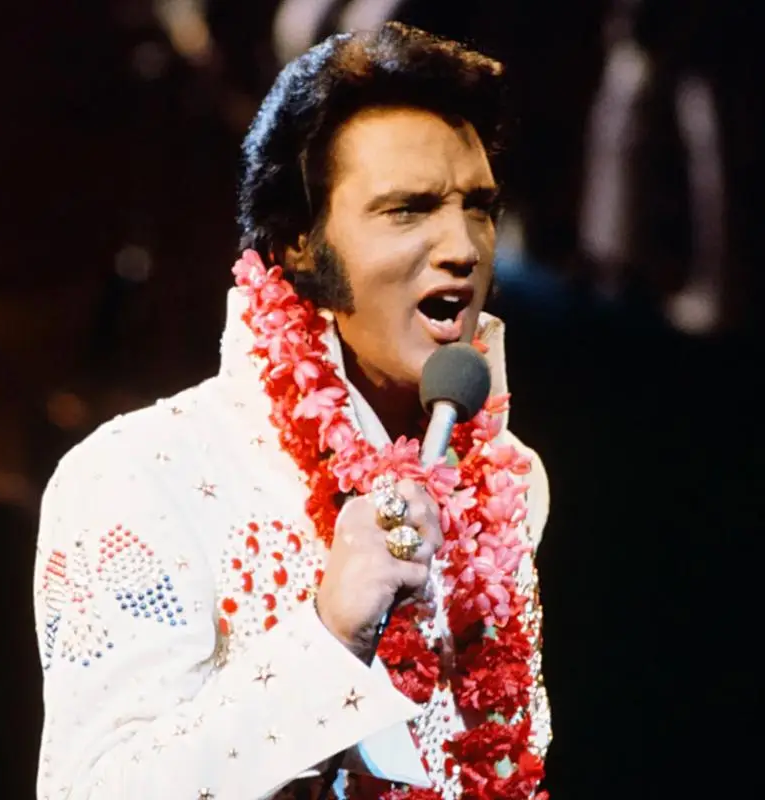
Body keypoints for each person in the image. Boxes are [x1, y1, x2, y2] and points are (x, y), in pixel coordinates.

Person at [33, 22, 551, 800]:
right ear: (300, 244)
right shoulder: (139, 474)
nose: (464, 247)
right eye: (408, 210)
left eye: (478, 207)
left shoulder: (509, 486)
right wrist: (329, 635)